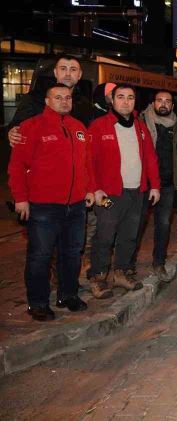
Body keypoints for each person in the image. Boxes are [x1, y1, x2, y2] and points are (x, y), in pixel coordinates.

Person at [8, 84, 95, 320]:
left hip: (76, 206)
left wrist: (88, 189)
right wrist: (21, 199)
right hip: (44, 206)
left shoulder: (78, 128)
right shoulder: (31, 126)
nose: (64, 101)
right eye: (58, 97)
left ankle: (68, 295)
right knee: (40, 256)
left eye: (67, 98)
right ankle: (37, 302)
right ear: (47, 101)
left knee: (72, 254)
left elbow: (86, 164)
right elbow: (17, 167)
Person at [87, 84, 160, 298]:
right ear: (112, 100)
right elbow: (88, 162)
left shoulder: (140, 127)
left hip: (137, 192)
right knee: (105, 235)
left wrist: (154, 185)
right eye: (121, 97)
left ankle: (121, 272)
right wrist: (95, 189)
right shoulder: (99, 126)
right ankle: (98, 277)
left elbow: (150, 159)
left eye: (130, 97)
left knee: (130, 235)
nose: (126, 101)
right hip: (110, 194)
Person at [140, 90, 177, 282]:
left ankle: (158, 262)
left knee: (163, 224)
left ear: (172, 106)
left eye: (167, 101)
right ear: (153, 103)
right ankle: (125, 267)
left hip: (168, 183)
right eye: (159, 100)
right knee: (136, 225)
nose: (163, 104)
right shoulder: (141, 122)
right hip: (143, 183)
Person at [8, 55, 93, 145]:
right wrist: (12, 133)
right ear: (55, 72)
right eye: (63, 69)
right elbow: (16, 127)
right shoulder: (34, 98)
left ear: (79, 75)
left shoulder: (85, 104)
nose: (68, 74)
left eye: (73, 69)